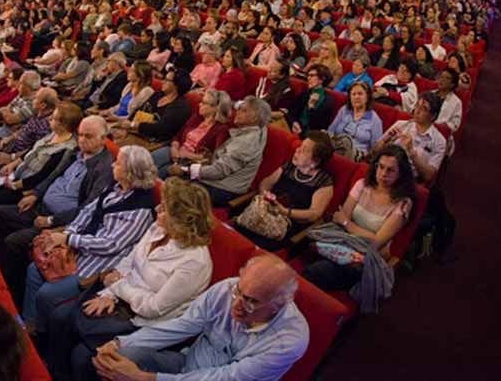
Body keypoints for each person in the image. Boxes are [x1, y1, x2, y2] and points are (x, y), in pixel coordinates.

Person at [53, 178, 215, 381]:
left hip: (146, 323)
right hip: (122, 298)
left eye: (164, 208)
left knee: (82, 357)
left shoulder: (194, 262)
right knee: (61, 317)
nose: (157, 208)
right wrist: (109, 295)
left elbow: (152, 308)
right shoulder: (158, 228)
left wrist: (117, 287)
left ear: (181, 219)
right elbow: (128, 261)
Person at [23, 146, 157, 351]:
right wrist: (66, 237)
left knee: (47, 294)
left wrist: (70, 239)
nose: (113, 164)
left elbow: (111, 244)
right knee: (33, 270)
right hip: (79, 248)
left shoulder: (140, 209)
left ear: (130, 171)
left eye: (118, 163)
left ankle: (41, 341)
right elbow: (87, 212)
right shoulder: (114, 188)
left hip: (96, 266)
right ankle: (30, 325)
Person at [91, 254, 308, 381]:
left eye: (251, 301)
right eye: (238, 291)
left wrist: (143, 378)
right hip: (186, 363)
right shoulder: (227, 288)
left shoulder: (288, 341)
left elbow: (225, 377)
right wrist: (119, 342)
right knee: (113, 357)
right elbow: (183, 325)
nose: (236, 304)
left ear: (278, 305)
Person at [0, 115, 115, 306]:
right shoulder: (74, 153)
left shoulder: (104, 168)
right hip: (40, 207)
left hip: (61, 223)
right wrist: (35, 195)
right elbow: (52, 176)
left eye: (89, 136)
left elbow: (88, 208)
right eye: (80, 135)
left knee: (13, 241)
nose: (82, 140)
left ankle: (12, 295)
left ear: (103, 139)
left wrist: (51, 221)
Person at [302, 145, 414, 308]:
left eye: (390, 170)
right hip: (341, 241)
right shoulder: (362, 185)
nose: (383, 174)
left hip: (365, 256)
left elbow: (376, 241)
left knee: (314, 273)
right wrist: (348, 225)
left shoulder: (403, 203)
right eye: (381, 167)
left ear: (401, 174)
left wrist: (347, 224)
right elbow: (341, 216)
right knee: (314, 259)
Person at [237, 131, 335, 251]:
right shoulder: (289, 166)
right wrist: (266, 196)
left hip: (287, 225)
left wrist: (285, 211)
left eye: (303, 150)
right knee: (240, 227)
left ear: (315, 161)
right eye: (300, 146)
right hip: (266, 212)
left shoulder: (324, 181)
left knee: (253, 240)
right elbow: (265, 184)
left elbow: (313, 214)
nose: (297, 151)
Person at [168, 96, 269, 207]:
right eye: (239, 108)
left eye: (243, 110)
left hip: (222, 188)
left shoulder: (246, 142)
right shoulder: (257, 128)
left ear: (254, 118)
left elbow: (218, 172)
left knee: (172, 189)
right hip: (218, 178)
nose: (237, 111)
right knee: (170, 176)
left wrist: (185, 170)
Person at [0, 101, 82, 208]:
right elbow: (31, 151)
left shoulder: (66, 149)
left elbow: (43, 176)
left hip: (27, 184)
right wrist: (11, 165)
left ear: (62, 125)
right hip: (19, 171)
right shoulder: (53, 133)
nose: (49, 118)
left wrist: (15, 185)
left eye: (53, 117)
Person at [150, 88, 232, 178]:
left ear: (216, 108)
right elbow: (179, 135)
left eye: (204, 103)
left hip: (190, 162)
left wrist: (187, 155)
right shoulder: (197, 117)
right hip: (175, 151)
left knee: (160, 173)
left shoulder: (222, 130)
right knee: (147, 162)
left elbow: (212, 159)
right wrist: (174, 147)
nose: (199, 104)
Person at [371, 92, 446, 183]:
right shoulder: (401, 125)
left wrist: (411, 151)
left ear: (433, 116)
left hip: (406, 181)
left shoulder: (439, 141)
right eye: (417, 106)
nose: (417, 111)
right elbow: (373, 152)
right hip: (382, 171)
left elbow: (428, 175)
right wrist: (384, 140)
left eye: (424, 109)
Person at [116, 68, 192, 144]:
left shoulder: (180, 107)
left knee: (117, 145)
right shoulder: (159, 94)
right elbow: (139, 110)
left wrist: (134, 125)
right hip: (136, 131)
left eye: (167, 80)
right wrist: (128, 124)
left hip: (153, 140)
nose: (163, 82)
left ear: (177, 85)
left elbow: (162, 128)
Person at [328, 81, 384, 158]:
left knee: (345, 144)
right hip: (337, 146)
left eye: (360, 94)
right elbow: (331, 130)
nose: (356, 97)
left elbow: (374, 149)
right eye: (353, 94)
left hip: (358, 154)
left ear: (367, 97)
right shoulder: (344, 110)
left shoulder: (375, 119)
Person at [289, 64, 335, 135]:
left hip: (311, 134)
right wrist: (294, 122)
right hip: (295, 127)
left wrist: (311, 107)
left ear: (322, 79)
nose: (308, 78)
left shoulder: (327, 100)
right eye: (308, 75)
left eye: (312, 75)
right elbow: (293, 111)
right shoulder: (306, 92)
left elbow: (318, 125)